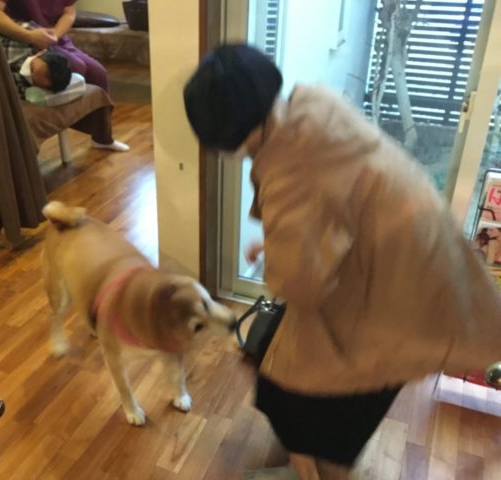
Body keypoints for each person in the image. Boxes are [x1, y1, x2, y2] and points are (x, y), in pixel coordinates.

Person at [184, 44, 501, 480]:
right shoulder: (312, 106)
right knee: (290, 371)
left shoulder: (291, 171)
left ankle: (317, 470)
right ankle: (306, 464)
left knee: (312, 397)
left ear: (230, 134)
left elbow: (299, 283)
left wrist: (278, 254)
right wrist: (281, 245)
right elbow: (338, 211)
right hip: (418, 264)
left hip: (396, 300)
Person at [0, 0, 129, 152]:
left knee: (98, 74)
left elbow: (69, 13)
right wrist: (30, 36)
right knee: (77, 67)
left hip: (55, 38)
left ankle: (102, 138)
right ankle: (55, 122)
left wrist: (55, 35)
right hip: (22, 38)